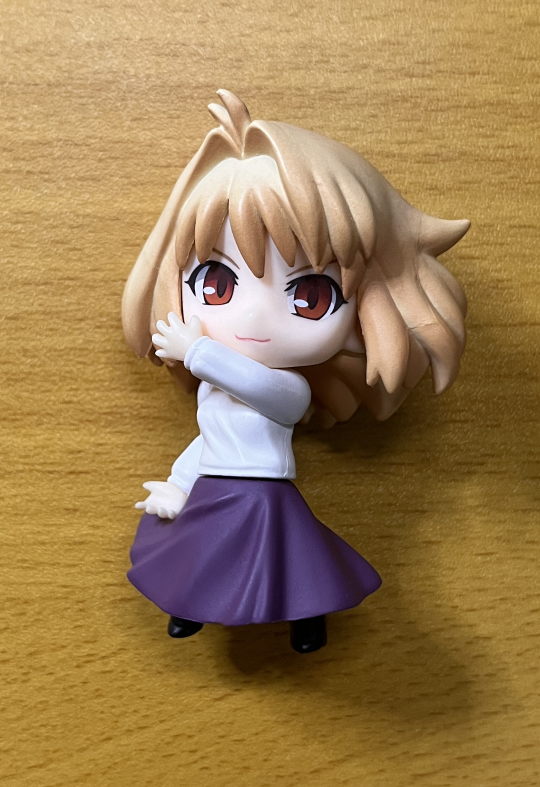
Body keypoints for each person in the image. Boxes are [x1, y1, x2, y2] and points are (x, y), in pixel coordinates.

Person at [122, 89, 470, 653]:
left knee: (291, 565)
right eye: (217, 283)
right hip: (216, 486)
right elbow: (207, 436)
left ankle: (308, 620)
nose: (254, 317)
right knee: (194, 555)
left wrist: (198, 350)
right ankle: (187, 610)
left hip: (265, 493)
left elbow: (264, 392)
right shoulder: (213, 386)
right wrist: (180, 485)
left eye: (310, 295)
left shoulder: (288, 388)